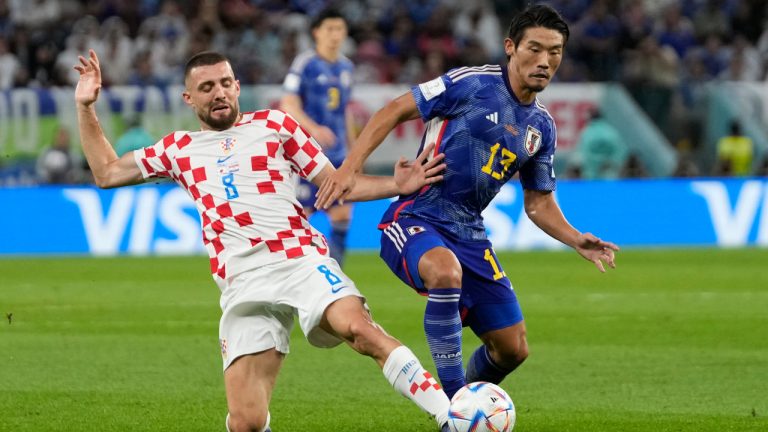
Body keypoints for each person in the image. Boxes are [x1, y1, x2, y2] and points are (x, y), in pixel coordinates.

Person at [73, 49, 453, 432]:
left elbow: (338, 183)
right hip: (242, 281)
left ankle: (450, 416)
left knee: (358, 328)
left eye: (225, 83)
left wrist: (396, 185)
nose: (218, 92)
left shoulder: (275, 125)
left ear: (237, 86)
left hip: (299, 260)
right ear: (189, 99)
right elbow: (106, 173)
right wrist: (86, 106)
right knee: (247, 422)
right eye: (206, 87)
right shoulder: (178, 149)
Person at [316, 4, 619, 400]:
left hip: (470, 233)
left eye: (555, 52)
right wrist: (348, 170)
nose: (545, 61)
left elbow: (538, 203)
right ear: (510, 47)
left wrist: (575, 237)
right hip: (416, 216)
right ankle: (454, 407)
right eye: (535, 49)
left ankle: (468, 406)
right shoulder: (472, 84)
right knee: (444, 271)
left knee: (512, 348)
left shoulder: (541, 126)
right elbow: (393, 110)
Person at [280, 8, 355, 268]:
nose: (335, 35)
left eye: (339, 29)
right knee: (302, 217)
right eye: (329, 29)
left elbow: (344, 110)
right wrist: (314, 128)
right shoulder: (305, 64)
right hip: (305, 155)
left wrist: (355, 153)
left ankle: (335, 276)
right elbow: (288, 104)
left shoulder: (347, 67)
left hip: (337, 156)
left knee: (343, 215)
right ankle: (296, 273)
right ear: (317, 32)